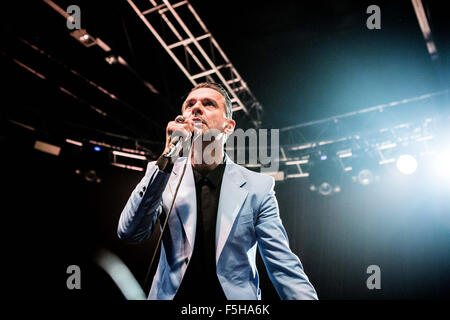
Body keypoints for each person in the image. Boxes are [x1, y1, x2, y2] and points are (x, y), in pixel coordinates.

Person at [117, 82, 318, 300]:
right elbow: (129, 232)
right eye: (190, 104)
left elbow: (283, 267)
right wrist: (167, 156)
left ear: (228, 127)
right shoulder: (162, 174)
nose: (196, 108)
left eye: (208, 104)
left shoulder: (258, 187)